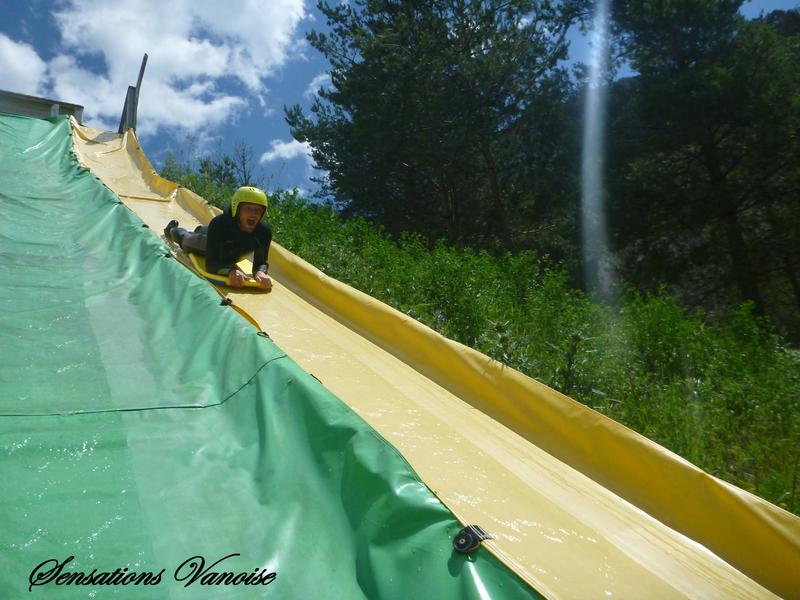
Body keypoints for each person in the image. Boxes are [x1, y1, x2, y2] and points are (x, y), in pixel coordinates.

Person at [164, 186, 272, 289]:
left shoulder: (263, 232)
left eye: (258, 210)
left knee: (202, 231)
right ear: (237, 209)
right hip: (206, 242)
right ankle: (171, 229)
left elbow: (261, 262)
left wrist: (260, 272)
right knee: (185, 240)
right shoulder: (220, 224)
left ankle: (199, 229)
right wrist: (230, 271)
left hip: (226, 248)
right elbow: (211, 264)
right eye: (248, 208)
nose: (253, 214)